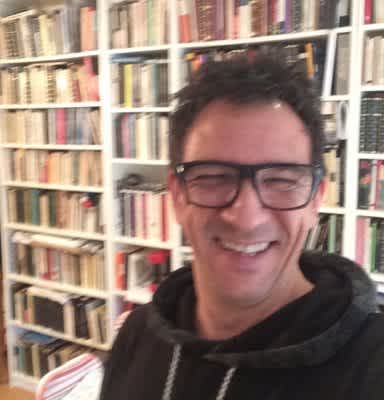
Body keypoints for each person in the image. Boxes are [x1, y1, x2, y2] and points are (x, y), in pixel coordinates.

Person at [100, 52, 384, 400]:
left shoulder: (373, 366)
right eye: (214, 177)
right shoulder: (136, 333)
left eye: (280, 180)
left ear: (315, 200)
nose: (247, 219)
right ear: (177, 196)